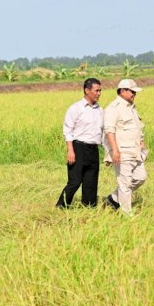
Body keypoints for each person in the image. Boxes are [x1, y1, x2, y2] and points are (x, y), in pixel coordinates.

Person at [56, 78, 104, 209]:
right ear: (87, 90)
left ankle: (89, 207)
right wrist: (70, 150)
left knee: (91, 180)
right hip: (78, 147)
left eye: (100, 90)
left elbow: (103, 132)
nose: (99, 93)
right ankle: (62, 206)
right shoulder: (75, 108)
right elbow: (68, 130)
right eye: (96, 90)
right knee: (75, 181)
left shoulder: (100, 110)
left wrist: (108, 152)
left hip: (93, 148)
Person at [103, 79, 147, 216]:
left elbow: (137, 128)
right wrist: (114, 150)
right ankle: (126, 215)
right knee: (125, 184)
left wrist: (141, 142)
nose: (134, 94)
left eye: (135, 91)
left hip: (136, 151)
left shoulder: (132, 108)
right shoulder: (113, 108)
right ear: (122, 91)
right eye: (132, 91)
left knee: (141, 177)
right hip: (122, 152)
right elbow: (109, 130)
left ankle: (113, 198)